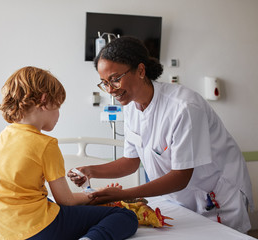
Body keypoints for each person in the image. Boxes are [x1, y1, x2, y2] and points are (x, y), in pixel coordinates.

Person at [67, 36, 254, 233]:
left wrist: (122, 195)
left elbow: (180, 177)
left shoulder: (184, 107)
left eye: (115, 79)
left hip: (216, 197)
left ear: (140, 70)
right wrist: (90, 170)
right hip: (178, 199)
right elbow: (130, 162)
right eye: (104, 83)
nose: (110, 90)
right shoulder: (131, 107)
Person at [0, 66, 138, 240]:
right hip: (40, 230)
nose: (58, 115)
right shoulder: (45, 144)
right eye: (58, 107)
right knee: (124, 216)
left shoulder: (0, 140)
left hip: (6, 231)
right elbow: (66, 202)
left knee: (50, 203)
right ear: (44, 101)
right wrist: (91, 195)